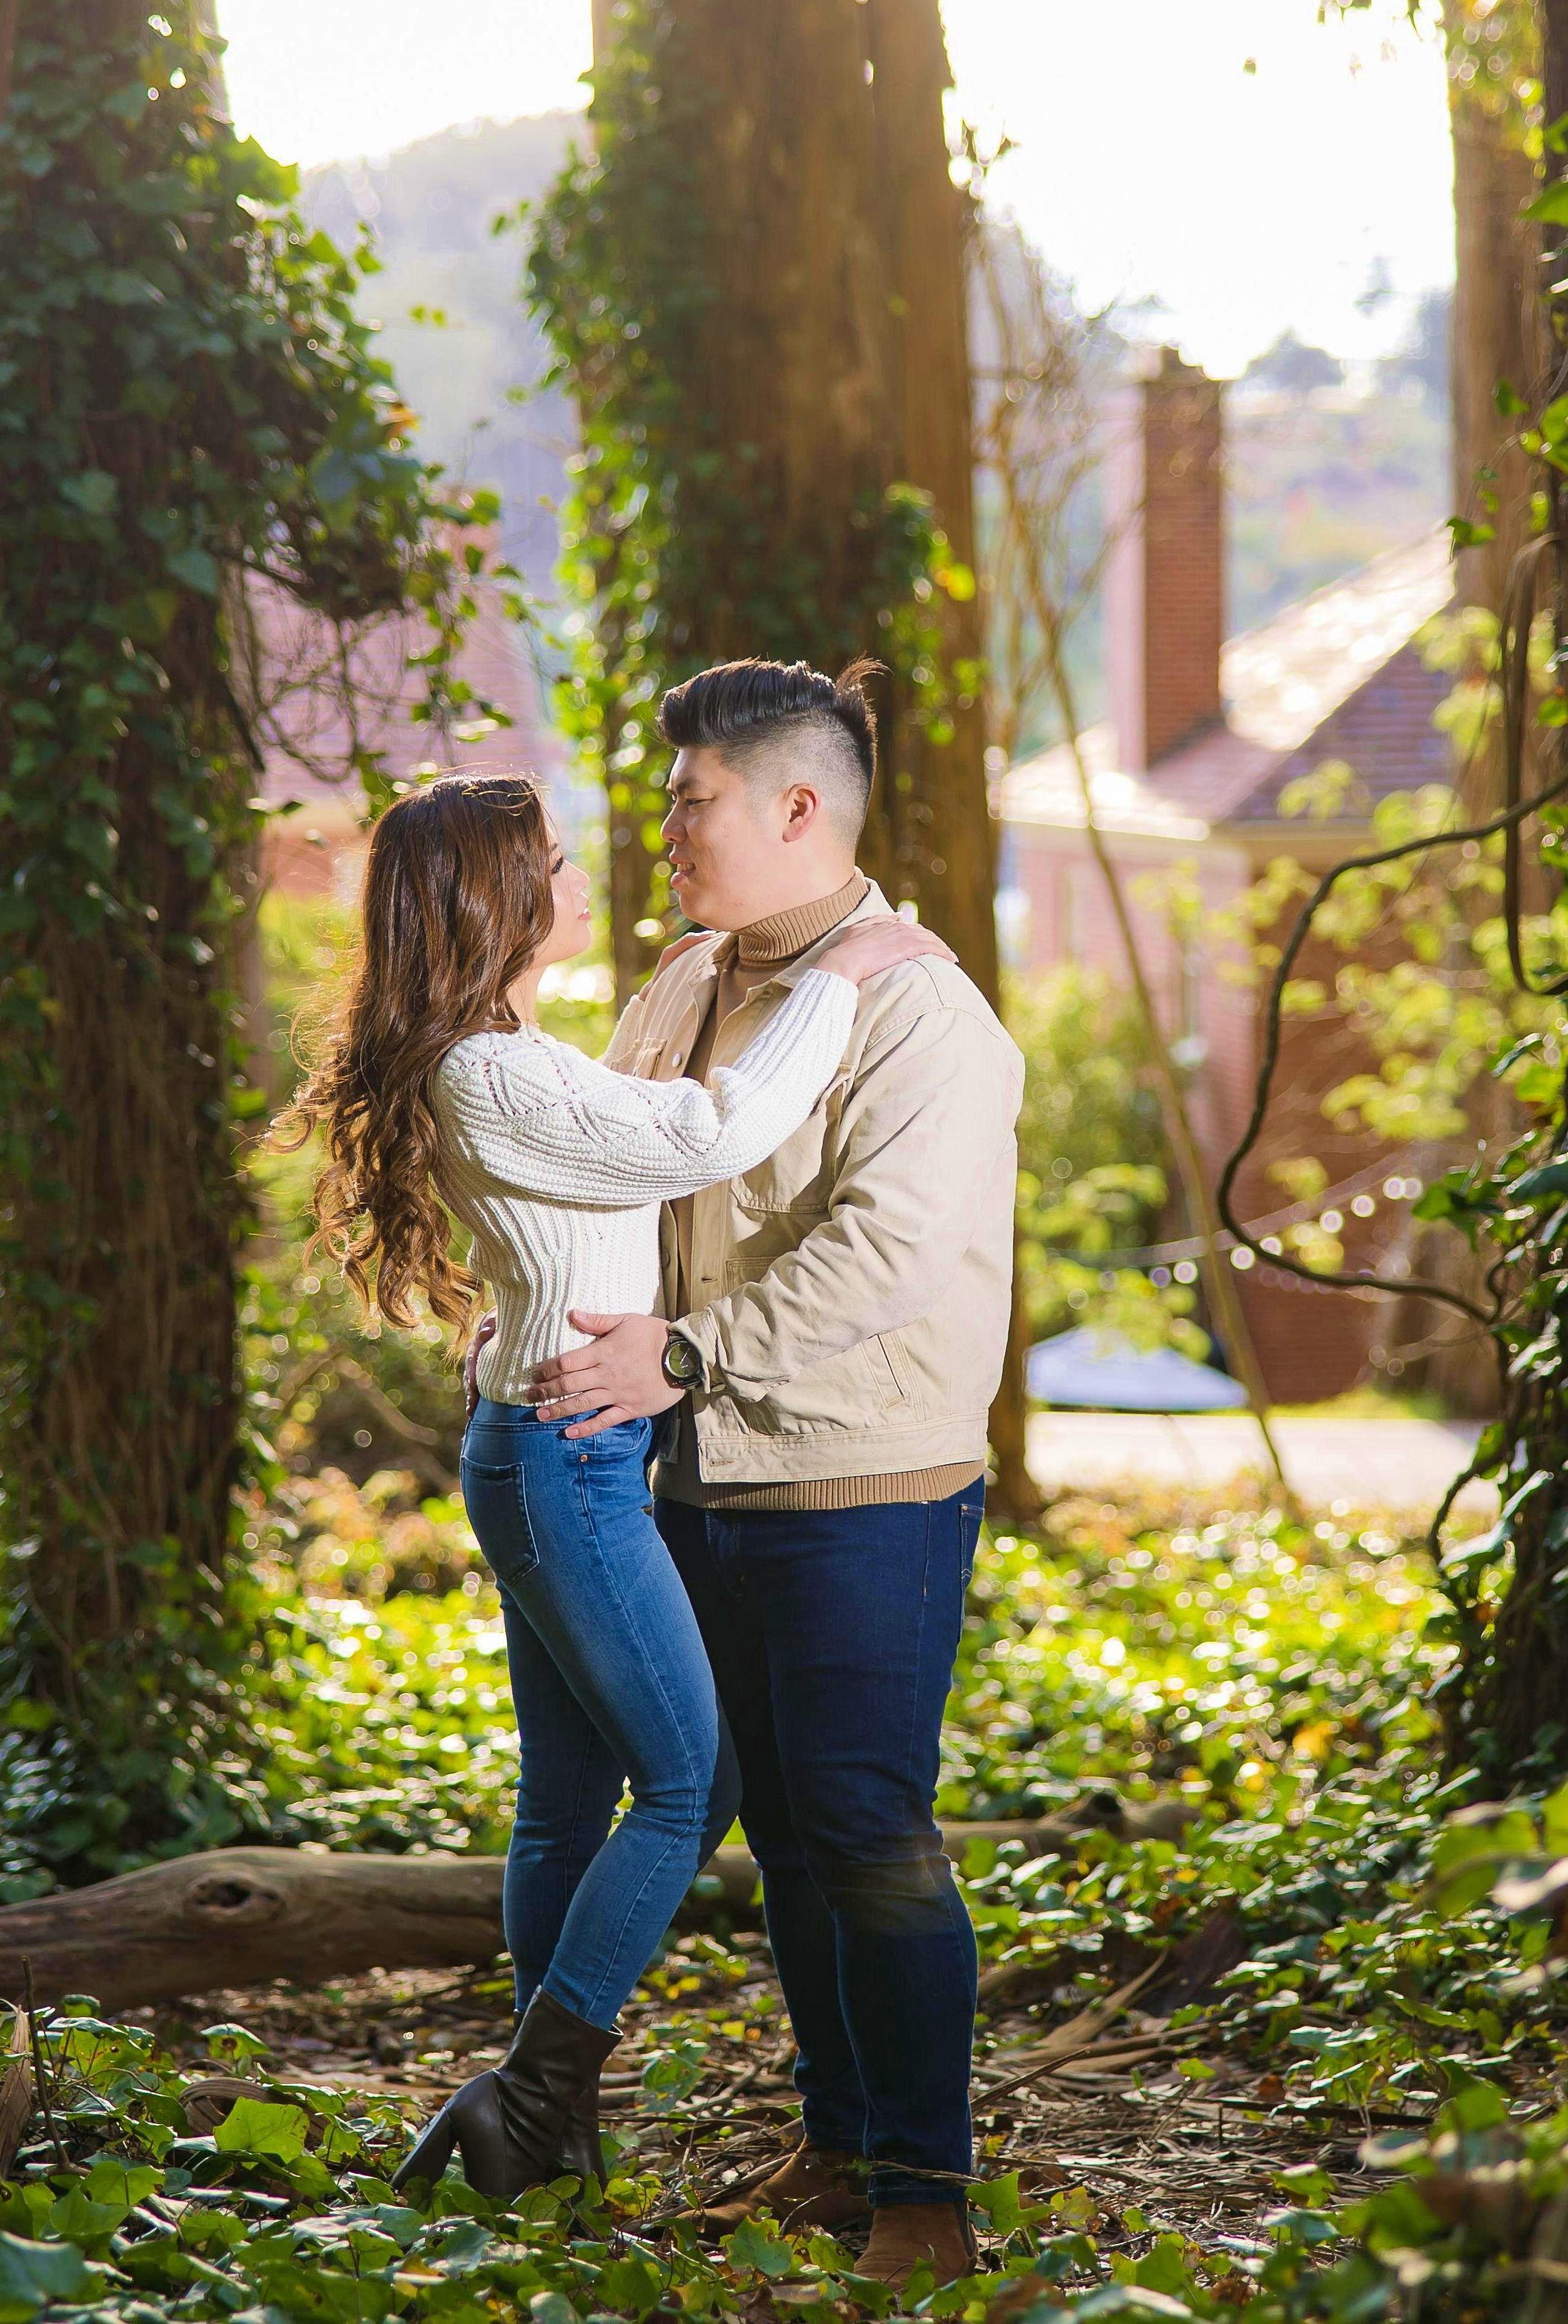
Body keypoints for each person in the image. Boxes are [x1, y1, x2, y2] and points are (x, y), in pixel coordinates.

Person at [289, 771, 951, 2202]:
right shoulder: (492, 1067)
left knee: (564, 1800)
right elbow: (706, 1133)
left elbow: (590, 1190)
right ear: (498, 894)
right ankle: (533, 2097)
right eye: (556, 859)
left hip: (547, 1442)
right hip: (569, 1464)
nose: (585, 875)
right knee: (688, 1782)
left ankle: (546, 2131)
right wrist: (839, 976)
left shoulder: (511, 1051)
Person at [525, 660, 1024, 2288]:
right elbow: (610, 1165)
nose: (666, 829)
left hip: (863, 1487)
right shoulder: (683, 984)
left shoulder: (921, 1012)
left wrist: (680, 1352)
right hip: (688, 1482)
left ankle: (925, 2195)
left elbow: (888, 1250)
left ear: (797, 807)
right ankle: (838, 2141)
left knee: (868, 1823)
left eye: (693, 801)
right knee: (786, 1839)